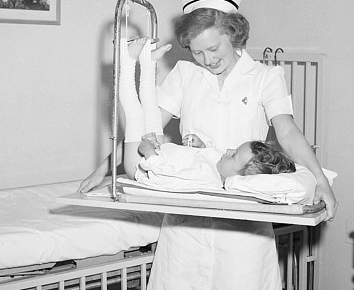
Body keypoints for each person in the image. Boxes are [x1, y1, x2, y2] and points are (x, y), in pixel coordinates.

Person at [78, 0, 338, 290]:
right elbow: (147, 130)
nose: (206, 59)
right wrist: (107, 168)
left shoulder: (266, 77)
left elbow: (288, 131)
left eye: (213, 48)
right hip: (189, 213)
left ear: (234, 34)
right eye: (197, 51)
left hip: (241, 219)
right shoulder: (185, 74)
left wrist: (318, 181)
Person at [119, 37, 297, 190]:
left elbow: (170, 177)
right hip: (158, 150)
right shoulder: (219, 164)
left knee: (135, 113)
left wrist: (149, 155)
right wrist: (200, 147)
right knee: (150, 111)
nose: (228, 150)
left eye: (234, 155)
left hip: (142, 167)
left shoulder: (206, 177)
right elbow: (204, 158)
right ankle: (148, 63)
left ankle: (126, 61)